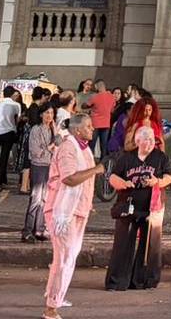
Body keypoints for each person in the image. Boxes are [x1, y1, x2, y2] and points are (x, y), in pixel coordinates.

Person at [43, 117, 103, 319]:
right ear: (77, 131)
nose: (92, 128)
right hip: (62, 211)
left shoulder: (84, 148)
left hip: (78, 210)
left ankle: (56, 297)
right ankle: (51, 307)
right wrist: (96, 169)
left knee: (68, 257)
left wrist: (88, 204)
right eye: (88, 126)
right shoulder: (68, 148)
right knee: (64, 258)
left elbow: (84, 182)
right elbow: (69, 179)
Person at [105, 124, 171, 291]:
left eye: (152, 140)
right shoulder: (126, 157)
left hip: (151, 206)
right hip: (128, 205)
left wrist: (157, 181)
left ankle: (143, 281)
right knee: (122, 244)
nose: (149, 143)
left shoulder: (160, 157)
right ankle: (117, 281)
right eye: (146, 140)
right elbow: (113, 177)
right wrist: (123, 183)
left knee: (150, 245)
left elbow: (169, 176)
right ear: (138, 141)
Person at [23, 106, 58, 241]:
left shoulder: (52, 130)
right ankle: (27, 230)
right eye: (47, 113)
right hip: (38, 166)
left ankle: (40, 228)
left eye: (52, 113)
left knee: (45, 198)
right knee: (36, 198)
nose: (49, 115)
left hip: (50, 166)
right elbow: (35, 151)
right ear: (41, 115)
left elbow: (58, 147)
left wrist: (56, 133)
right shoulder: (36, 129)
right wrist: (50, 147)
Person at [87, 81, 116, 159]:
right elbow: (112, 110)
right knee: (104, 145)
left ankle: (89, 161)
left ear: (97, 87)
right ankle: (103, 162)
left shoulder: (95, 96)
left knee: (91, 145)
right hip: (106, 123)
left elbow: (86, 105)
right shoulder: (112, 97)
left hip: (95, 123)